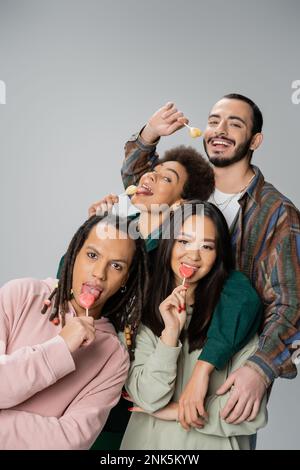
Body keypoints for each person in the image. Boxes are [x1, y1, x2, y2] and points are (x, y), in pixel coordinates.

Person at [121, 95, 300, 433]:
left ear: (255, 140)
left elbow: (290, 303)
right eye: (215, 120)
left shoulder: (277, 214)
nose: (221, 130)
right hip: (164, 355)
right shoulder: (191, 191)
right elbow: (140, 186)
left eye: (235, 124)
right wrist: (148, 136)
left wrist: (260, 369)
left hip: (223, 371)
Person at [120, 201, 267, 450]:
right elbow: (148, 396)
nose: (193, 255)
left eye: (206, 246)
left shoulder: (236, 316)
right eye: (184, 241)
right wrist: (169, 334)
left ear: (219, 254)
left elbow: (248, 410)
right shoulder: (144, 313)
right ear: (168, 244)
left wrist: (176, 412)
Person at [0, 214, 148, 449]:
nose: (99, 273)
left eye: (116, 265)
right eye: (92, 255)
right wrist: (60, 348)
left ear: (125, 280)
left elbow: (69, 441)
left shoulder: (113, 356)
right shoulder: (20, 295)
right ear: (74, 253)